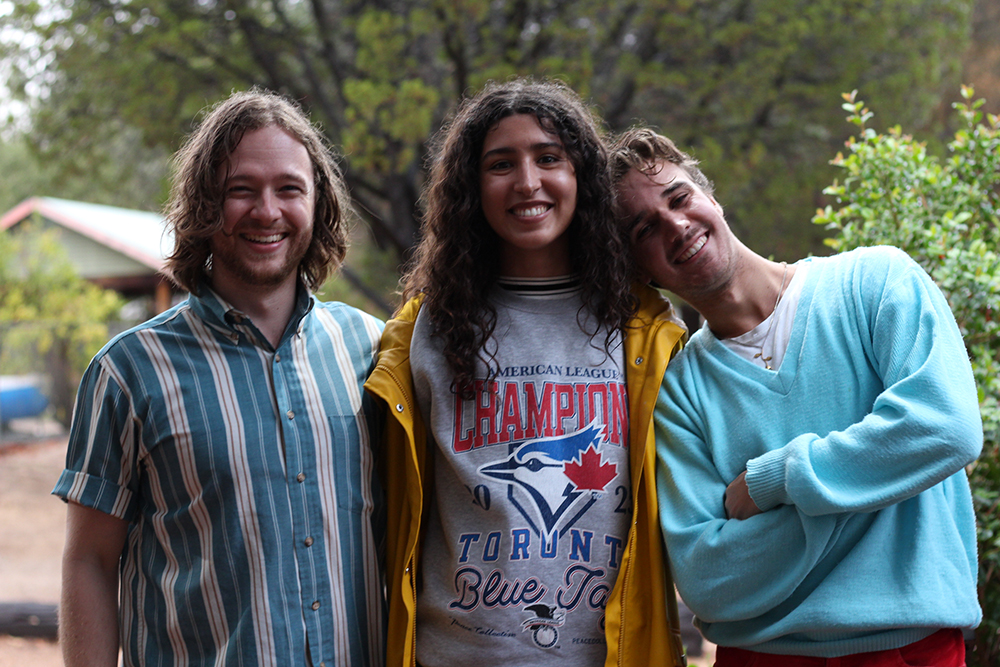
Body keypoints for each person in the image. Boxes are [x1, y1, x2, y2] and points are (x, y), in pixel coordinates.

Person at [610, 127, 983, 666]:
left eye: (679, 197)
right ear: (638, 267)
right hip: (760, 658)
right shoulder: (680, 390)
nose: (676, 224)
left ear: (710, 196)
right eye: (645, 228)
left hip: (912, 650)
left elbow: (946, 428)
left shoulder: (875, 283)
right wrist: (882, 487)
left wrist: (779, 480)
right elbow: (708, 579)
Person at [54, 89, 385, 667]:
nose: (267, 211)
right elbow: (90, 561)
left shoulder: (373, 350)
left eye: (289, 189)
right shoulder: (128, 371)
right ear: (205, 205)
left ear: (318, 202)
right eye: (241, 190)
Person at [364, 79, 688, 667]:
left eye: (549, 158)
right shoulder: (421, 333)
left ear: (581, 176)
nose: (528, 182)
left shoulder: (646, 329)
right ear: (472, 187)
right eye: (500, 164)